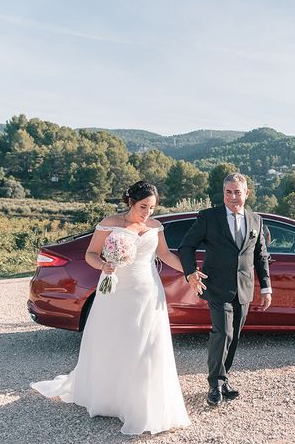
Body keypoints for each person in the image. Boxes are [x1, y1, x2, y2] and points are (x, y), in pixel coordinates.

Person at [31, 181, 191, 435]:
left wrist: (190, 272)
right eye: (143, 206)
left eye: (151, 207)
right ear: (130, 202)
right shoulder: (111, 223)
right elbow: (91, 254)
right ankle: (109, 397)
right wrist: (103, 265)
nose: (147, 212)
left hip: (148, 291)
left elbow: (166, 256)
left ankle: (141, 404)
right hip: (115, 290)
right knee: (113, 341)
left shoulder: (155, 226)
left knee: (147, 344)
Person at [179, 172, 272, 406]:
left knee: (235, 336)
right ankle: (214, 384)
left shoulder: (256, 220)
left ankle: (224, 378)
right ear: (223, 193)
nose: (232, 197)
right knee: (223, 333)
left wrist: (266, 287)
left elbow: (260, 256)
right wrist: (190, 272)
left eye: (237, 192)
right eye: (228, 192)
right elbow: (186, 246)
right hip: (218, 287)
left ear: (246, 193)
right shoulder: (209, 217)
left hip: (244, 289)